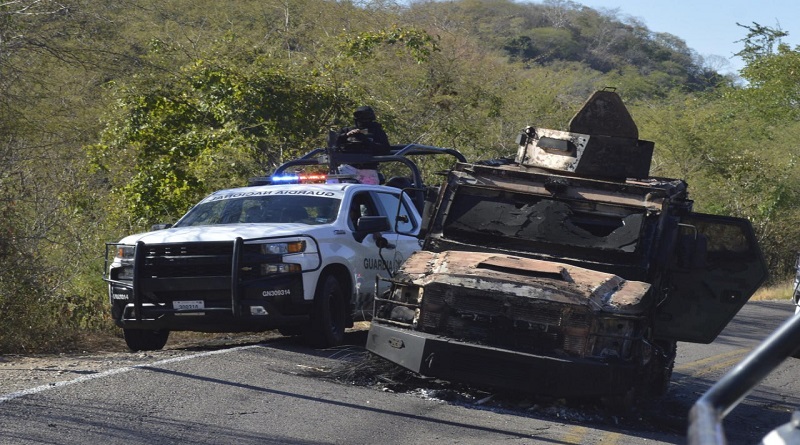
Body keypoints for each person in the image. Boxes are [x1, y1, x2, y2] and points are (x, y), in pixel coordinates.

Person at [335, 106, 391, 185]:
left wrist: (365, 140)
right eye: (359, 116)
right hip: (347, 167)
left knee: (370, 193)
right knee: (332, 183)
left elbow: (385, 150)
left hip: (368, 169)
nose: (362, 119)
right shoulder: (347, 130)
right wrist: (346, 136)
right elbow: (333, 144)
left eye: (365, 117)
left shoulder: (377, 132)